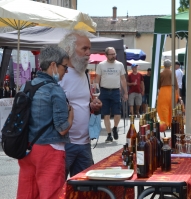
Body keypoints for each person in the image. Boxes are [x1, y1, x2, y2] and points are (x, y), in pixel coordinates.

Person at [17, 45, 74, 199]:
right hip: (49, 150)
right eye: (65, 67)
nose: (66, 72)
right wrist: (71, 115)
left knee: (27, 194)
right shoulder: (55, 89)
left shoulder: (26, 86)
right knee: (51, 194)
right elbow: (62, 128)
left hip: (26, 148)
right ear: (53, 65)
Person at [58, 30, 102, 178]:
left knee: (85, 190)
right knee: (58, 188)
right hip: (64, 144)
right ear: (69, 50)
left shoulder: (84, 73)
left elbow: (83, 103)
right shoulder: (58, 74)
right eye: (84, 48)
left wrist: (92, 106)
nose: (88, 53)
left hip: (84, 143)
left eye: (89, 48)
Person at [95, 47, 128, 143]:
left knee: (117, 113)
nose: (114, 56)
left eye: (114, 54)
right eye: (111, 54)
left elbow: (123, 79)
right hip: (104, 91)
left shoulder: (119, 65)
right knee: (106, 114)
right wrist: (96, 93)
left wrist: (125, 92)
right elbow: (97, 79)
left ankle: (115, 127)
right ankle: (109, 134)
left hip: (115, 91)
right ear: (106, 55)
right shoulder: (101, 65)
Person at [157, 59, 179, 127]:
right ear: (170, 66)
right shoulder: (172, 73)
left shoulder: (161, 74)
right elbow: (176, 84)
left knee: (163, 108)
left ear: (164, 66)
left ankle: (165, 123)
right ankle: (170, 123)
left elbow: (158, 85)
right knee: (171, 108)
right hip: (171, 91)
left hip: (163, 91)